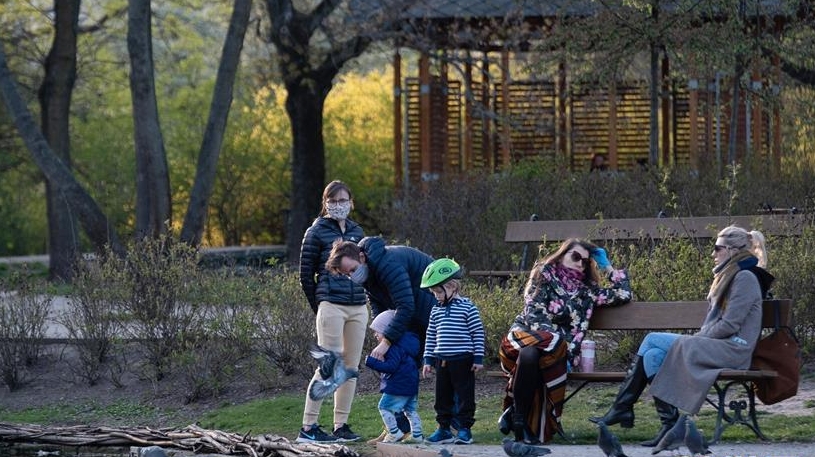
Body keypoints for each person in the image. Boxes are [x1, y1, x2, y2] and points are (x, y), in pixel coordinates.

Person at [590, 225, 774, 447]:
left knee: (651, 339)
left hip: (733, 349)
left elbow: (729, 325)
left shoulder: (745, 277)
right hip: (718, 345)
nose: (713, 254)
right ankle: (669, 426)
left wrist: (700, 337)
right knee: (652, 356)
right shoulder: (731, 275)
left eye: (717, 248)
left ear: (733, 250)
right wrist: (701, 337)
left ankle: (621, 408)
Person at [499, 239, 632, 444]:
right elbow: (534, 313)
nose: (580, 263)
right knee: (533, 349)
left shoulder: (587, 291)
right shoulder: (543, 274)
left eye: (586, 262)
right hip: (523, 339)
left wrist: (607, 266)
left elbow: (623, 294)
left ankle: (518, 420)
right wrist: (557, 347)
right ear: (562, 255)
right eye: (576, 257)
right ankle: (517, 415)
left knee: (532, 355)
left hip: (547, 356)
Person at [325, 235, 438, 442]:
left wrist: (387, 342)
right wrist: (382, 332)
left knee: (446, 369)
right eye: (347, 274)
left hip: (433, 312)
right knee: (401, 373)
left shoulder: (388, 263)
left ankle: (453, 427)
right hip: (410, 317)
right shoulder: (368, 274)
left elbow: (406, 305)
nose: (352, 276)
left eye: (352, 269)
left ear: (361, 257)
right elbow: (379, 305)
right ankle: (398, 428)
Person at [296, 180, 368, 444]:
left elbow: (364, 270)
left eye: (343, 200)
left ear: (351, 202)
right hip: (331, 305)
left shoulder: (358, 231)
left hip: (358, 307)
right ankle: (309, 427)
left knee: (350, 368)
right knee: (328, 366)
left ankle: (341, 426)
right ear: (326, 203)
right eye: (333, 201)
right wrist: (321, 306)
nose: (339, 205)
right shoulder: (315, 232)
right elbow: (306, 276)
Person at [420, 258, 486, 445]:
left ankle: (464, 429)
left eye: (439, 291)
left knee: (465, 396)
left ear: (452, 286)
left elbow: (477, 333)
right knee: (442, 397)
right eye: (434, 292)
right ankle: (444, 429)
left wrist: (478, 358)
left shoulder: (468, 307)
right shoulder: (436, 310)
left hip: (463, 360)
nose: (436, 296)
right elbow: (431, 335)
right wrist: (427, 360)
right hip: (442, 361)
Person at [364, 310, 424, 443]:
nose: (375, 335)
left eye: (378, 331)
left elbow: (391, 367)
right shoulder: (407, 345)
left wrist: (372, 362)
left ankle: (394, 432)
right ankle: (417, 435)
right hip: (411, 384)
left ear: (387, 331)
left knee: (384, 407)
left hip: (398, 385)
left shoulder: (394, 347)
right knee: (410, 410)